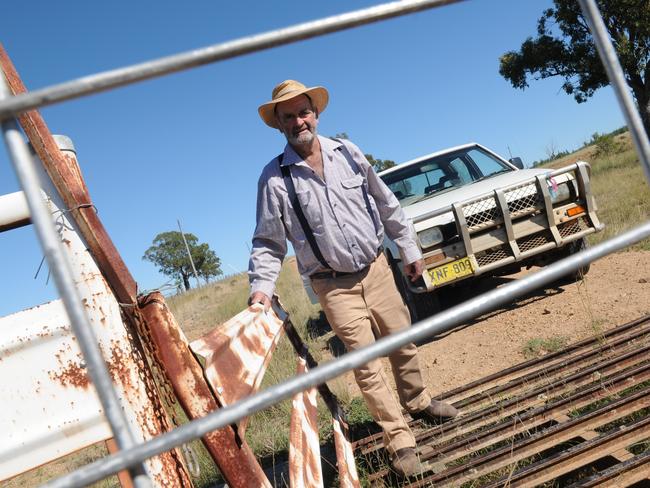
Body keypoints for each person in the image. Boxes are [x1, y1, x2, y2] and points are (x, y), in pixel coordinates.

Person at [248, 79, 458, 477]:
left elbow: (385, 202)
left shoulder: (348, 152)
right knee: (367, 364)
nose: (298, 121)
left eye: (303, 112)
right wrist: (261, 290)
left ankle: (419, 403)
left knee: (403, 341)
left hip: (377, 267)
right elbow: (268, 242)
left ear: (316, 113)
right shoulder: (274, 179)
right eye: (288, 116)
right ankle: (400, 441)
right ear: (278, 124)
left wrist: (409, 248)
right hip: (333, 285)